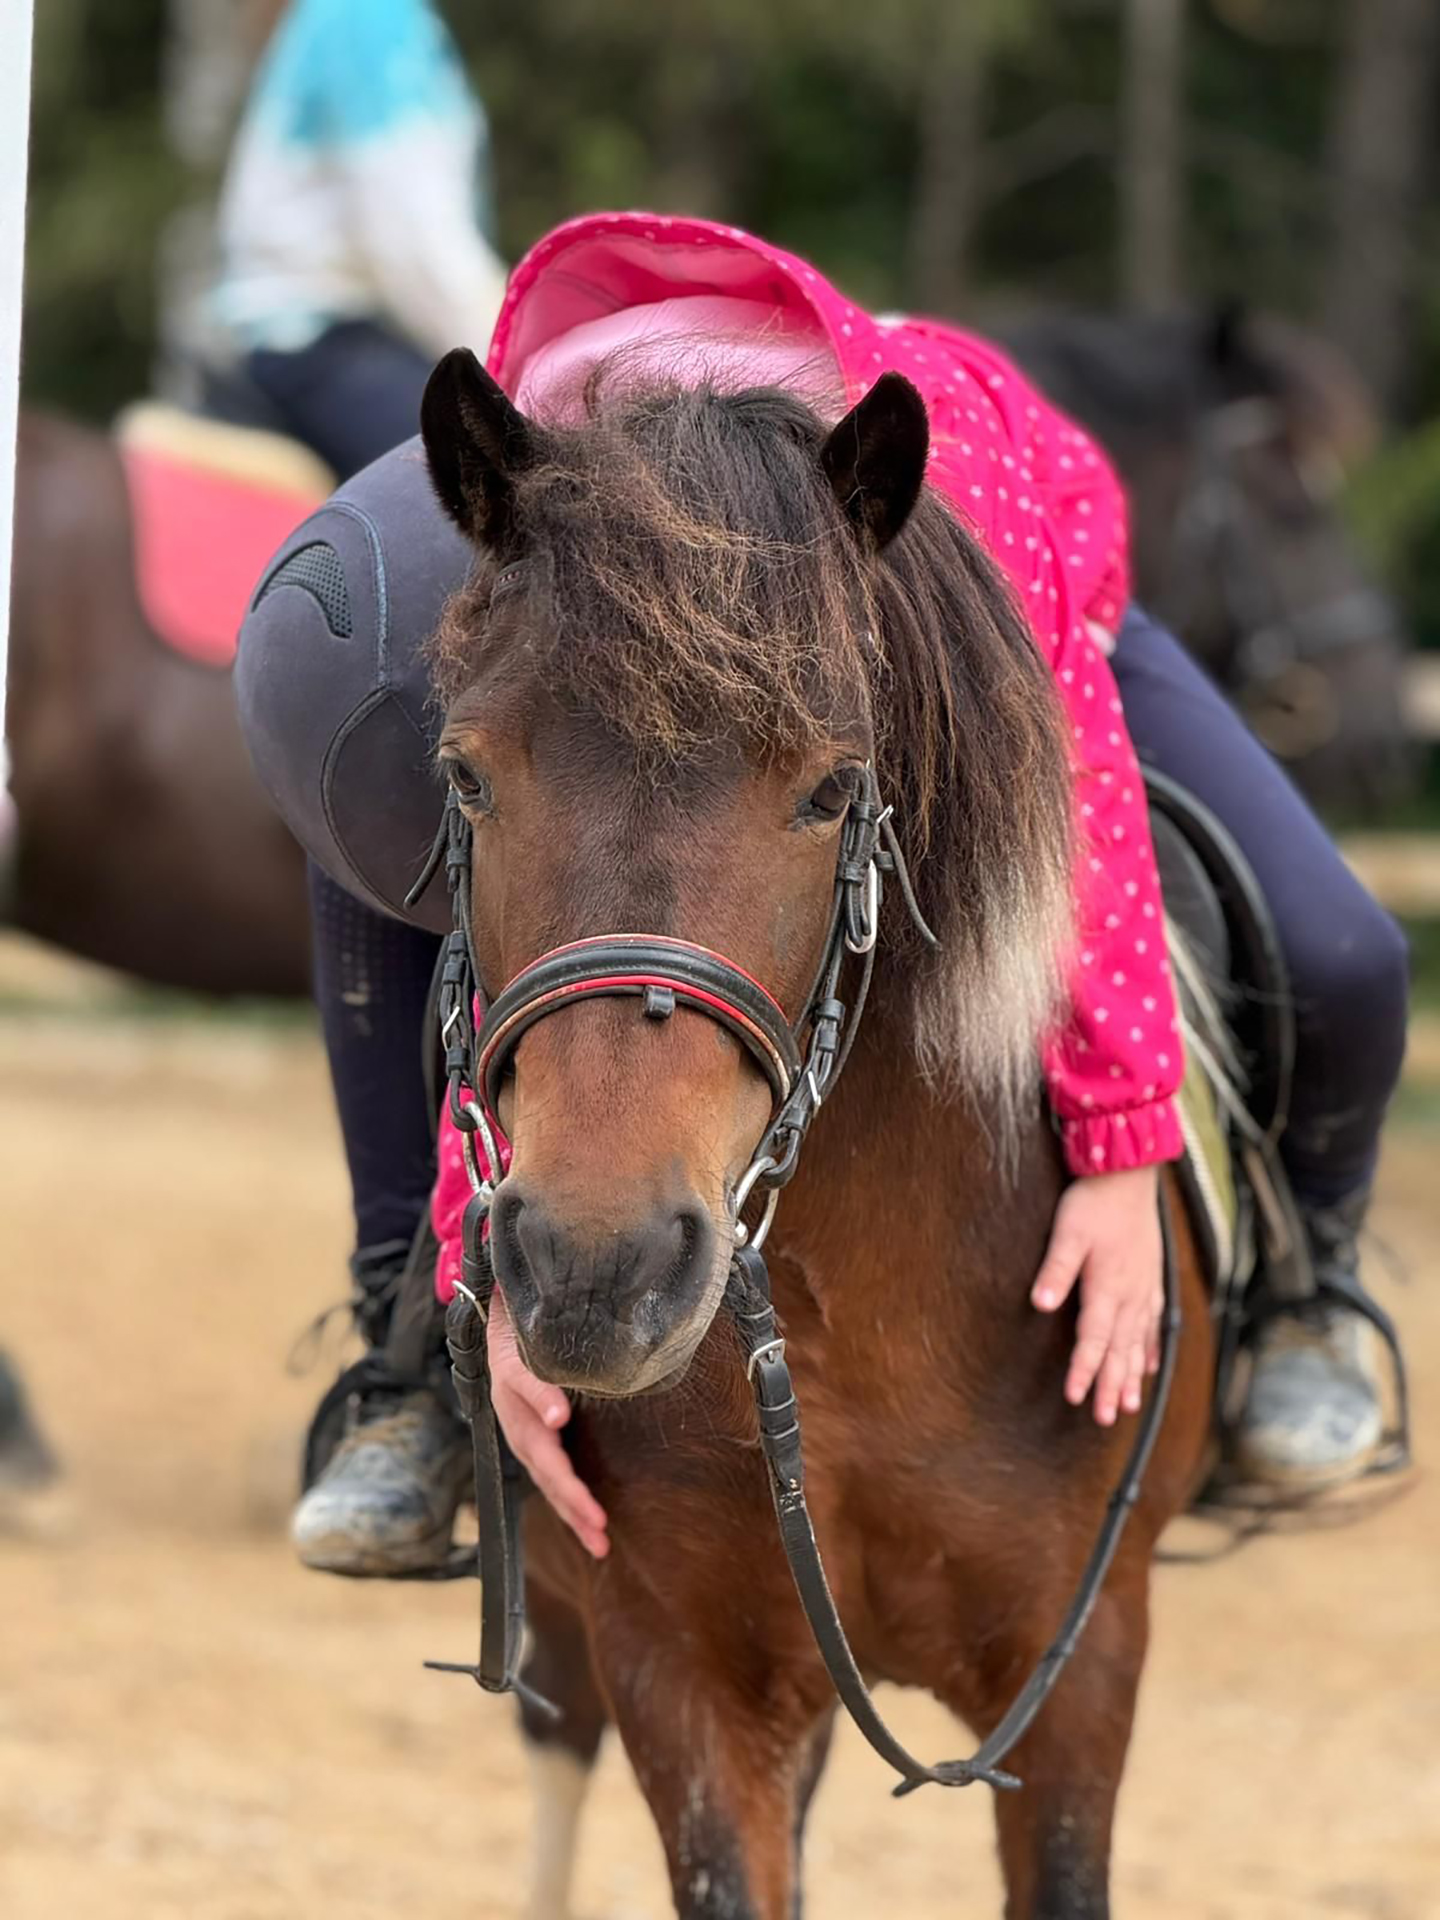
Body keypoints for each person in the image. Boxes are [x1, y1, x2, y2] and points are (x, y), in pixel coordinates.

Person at [236, 214, 1408, 1577]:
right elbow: (524, 948)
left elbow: (1079, 813)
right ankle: (402, 1356)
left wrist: (1123, 1144)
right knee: (400, 873)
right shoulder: (549, 528)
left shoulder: (962, 501)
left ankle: (1311, 1295)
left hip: (998, 595)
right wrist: (474, 1268)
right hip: (655, 582)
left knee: (1346, 950)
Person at [209, 0, 507, 483]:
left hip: (326, 339)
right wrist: (514, 361)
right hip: (320, 340)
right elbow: (411, 244)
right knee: (489, 484)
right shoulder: (369, 15)